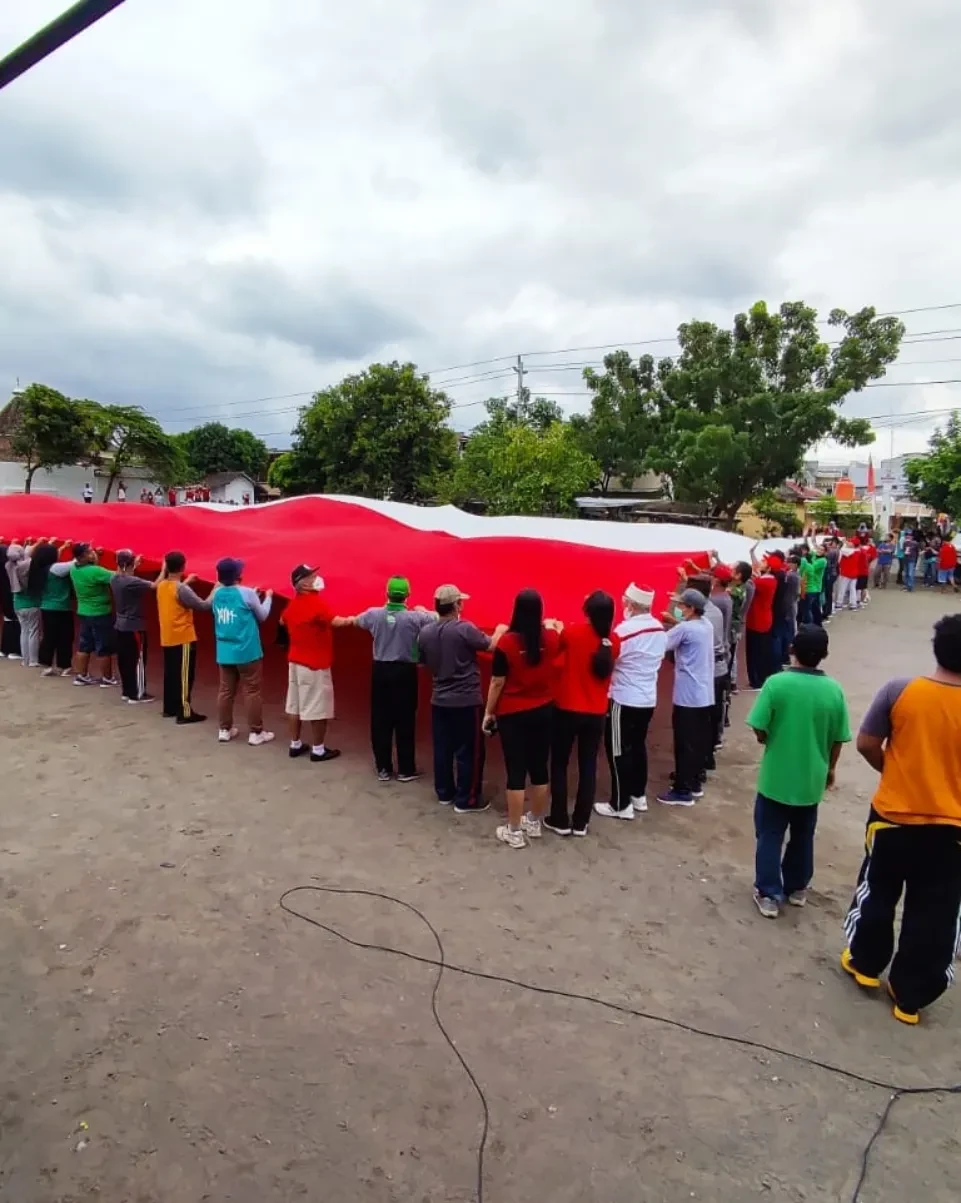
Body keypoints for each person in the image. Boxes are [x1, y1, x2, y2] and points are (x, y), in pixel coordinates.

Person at [842, 614, 961, 1024]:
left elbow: (867, 743)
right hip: (952, 827)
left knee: (877, 890)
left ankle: (865, 964)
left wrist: (892, 772)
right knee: (936, 911)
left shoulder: (899, 690)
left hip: (893, 815)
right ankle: (910, 995)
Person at [746, 626, 851, 918]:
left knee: (769, 833)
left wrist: (766, 737)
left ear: (792, 649)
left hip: (776, 776)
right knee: (804, 834)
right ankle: (797, 887)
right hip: (811, 777)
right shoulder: (834, 690)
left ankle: (768, 891)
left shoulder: (776, 684)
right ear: (824, 655)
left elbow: (758, 724)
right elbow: (839, 737)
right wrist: (830, 768)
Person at [483, 589, 562, 848]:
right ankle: (534, 821)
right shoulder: (550, 638)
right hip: (544, 710)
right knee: (540, 769)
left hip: (513, 714)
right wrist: (552, 624)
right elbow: (555, 630)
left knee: (515, 771)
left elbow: (497, 682)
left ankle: (514, 830)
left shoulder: (506, 643)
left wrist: (489, 712)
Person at [342, 576, 436, 781]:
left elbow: (354, 621)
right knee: (405, 719)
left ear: (387, 594)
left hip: (381, 671)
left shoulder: (373, 614)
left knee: (380, 719)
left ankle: (383, 767)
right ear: (407, 595)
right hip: (405, 672)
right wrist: (422, 609)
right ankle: (405, 769)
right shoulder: (415, 618)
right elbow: (437, 618)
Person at [417, 585, 496, 813]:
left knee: (443, 748)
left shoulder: (425, 632)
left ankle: (444, 792)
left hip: (439, 700)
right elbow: (491, 646)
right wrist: (501, 630)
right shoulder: (465, 629)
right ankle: (467, 800)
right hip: (466, 701)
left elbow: (421, 664)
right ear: (456, 605)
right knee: (469, 751)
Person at [547, 590, 620, 836]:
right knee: (588, 765)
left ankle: (559, 817)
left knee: (559, 763)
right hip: (596, 712)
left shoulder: (572, 633)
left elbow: (557, 651)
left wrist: (554, 628)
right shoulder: (614, 641)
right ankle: (581, 821)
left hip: (567, 708)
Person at [595, 583, 666, 821]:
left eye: (626, 601)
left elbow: (607, 660)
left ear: (632, 605)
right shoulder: (659, 629)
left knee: (617, 750)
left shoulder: (624, 632)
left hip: (623, 698)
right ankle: (638, 795)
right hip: (647, 698)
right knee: (637, 746)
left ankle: (620, 804)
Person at [657, 588, 715, 806]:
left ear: (691, 609)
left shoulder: (686, 630)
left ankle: (682, 791)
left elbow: (662, 643)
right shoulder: (705, 625)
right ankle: (692, 781)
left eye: (681, 606)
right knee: (696, 741)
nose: (679, 609)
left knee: (684, 742)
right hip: (703, 694)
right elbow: (681, 630)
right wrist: (674, 622)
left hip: (688, 696)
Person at [278, 564, 342, 763]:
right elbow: (336, 621)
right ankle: (318, 749)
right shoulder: (316, 604)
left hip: (295, 661)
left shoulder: (293, 604)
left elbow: (282, 620)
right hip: (314, 663)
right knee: (317, 707)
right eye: (313, 576)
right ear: (303, 583)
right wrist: (359, 619)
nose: (317, 578)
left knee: (294, 705)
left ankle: (295, 744)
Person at [209, 557, 274, 746]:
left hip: (224, 650)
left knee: (226, 690)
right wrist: (268, 597)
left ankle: (224, 729)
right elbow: (262, 615)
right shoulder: (247, 593)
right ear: (239, 575)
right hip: (247, 650)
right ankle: (256, 732)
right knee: (252, 690)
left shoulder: (217, 594)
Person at [154, 551, 208, 723]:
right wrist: (216, 589)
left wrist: (186, 582)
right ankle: (184, 712)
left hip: (168, 636)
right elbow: (202, 605)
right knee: (185, 676)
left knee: (171, 674)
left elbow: (176, 594)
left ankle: (169, 708)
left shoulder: (162, 585)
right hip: (182, 637)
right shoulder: (181, 588)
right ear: (183, 566)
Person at [64, 543, 117, 686]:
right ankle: (107, 678)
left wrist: (95, 556)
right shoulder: (96, 571)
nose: (92, 553)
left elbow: (92, 569)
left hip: (84, 611)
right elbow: (119, 577)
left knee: (84, 645)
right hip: (100, 612)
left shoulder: (74, 568)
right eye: (89, 552)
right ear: (83, 556)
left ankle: (81, 676)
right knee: (104, 646)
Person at [110, 550, 154, 703]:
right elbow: (155, 585)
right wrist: (164, 570)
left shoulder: (114, 578)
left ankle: (127, 691)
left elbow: (126, 576)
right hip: (134, 625)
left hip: (120, 625)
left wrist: (133, 566)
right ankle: (137, 694)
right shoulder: (131, 581)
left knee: (124, 660)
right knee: (137, 660)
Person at [32, 541, 74, 677]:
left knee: (49, 637)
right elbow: (74, 563)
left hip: (47, 607)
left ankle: (47, 664)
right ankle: (64, 665)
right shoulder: (56, 568)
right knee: (65, 637)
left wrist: (62, 547)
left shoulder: (39, 568)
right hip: (61, 608)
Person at [744, 555, 776, 689]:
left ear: (768, 568)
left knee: (754, 652)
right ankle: (760, 677)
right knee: (761, 650)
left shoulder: (761, 582)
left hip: (756, 621)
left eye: (764, 562)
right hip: (764, 619)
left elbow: (745, 579)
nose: (760, 563)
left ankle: (756, 680)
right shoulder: (771, 580)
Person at [7, 543, 42, 667]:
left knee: (24, 631)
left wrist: (28, 544)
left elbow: (25, 554)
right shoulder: (26, 565)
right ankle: (33, 660)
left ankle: (25, 659)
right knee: (33, 631)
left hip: (18, 602)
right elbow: (30, 556)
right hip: (31, 602)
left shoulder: (9, 565)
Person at [729, 560, 754, 689]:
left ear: (739, 575)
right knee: (732, 653)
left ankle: (731, 682)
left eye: (733, 569)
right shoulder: (746, 586)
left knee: (730, 653)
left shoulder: (735, 592)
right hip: (737, 625)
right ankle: (731, 681)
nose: (730, 570)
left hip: (732, 627)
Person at [0, 539, 21, 659]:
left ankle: (4, 649)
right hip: (13, 595)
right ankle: (15, 651)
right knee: (16, 623)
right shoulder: (11, 566)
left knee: (8, 621)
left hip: (4, 597)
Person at [798, 543, 826, 625]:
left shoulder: (822, 561)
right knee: (812, 608)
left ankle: (817, 624)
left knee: (814, 608)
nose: (819, 551)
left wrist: (804, 561)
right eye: (818, 549)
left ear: (825, 552)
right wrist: (806, 537)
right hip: (811, 586)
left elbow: (811, 567)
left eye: (822, 550)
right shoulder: (814, 556)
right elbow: (807, 549)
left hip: (816, 586)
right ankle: (816, 624)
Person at [835, 539, 861, 611]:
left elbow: (841, 549)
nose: (849, 543)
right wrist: (846, 542)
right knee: (852, 589)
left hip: (846, 572)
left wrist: (844, 542)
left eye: (851, 542)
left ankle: (839, 603)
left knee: (842, 588)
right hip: (854, 573)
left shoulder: (850, 551)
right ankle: (853, 604)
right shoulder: (858, 550)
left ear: (853, 544)